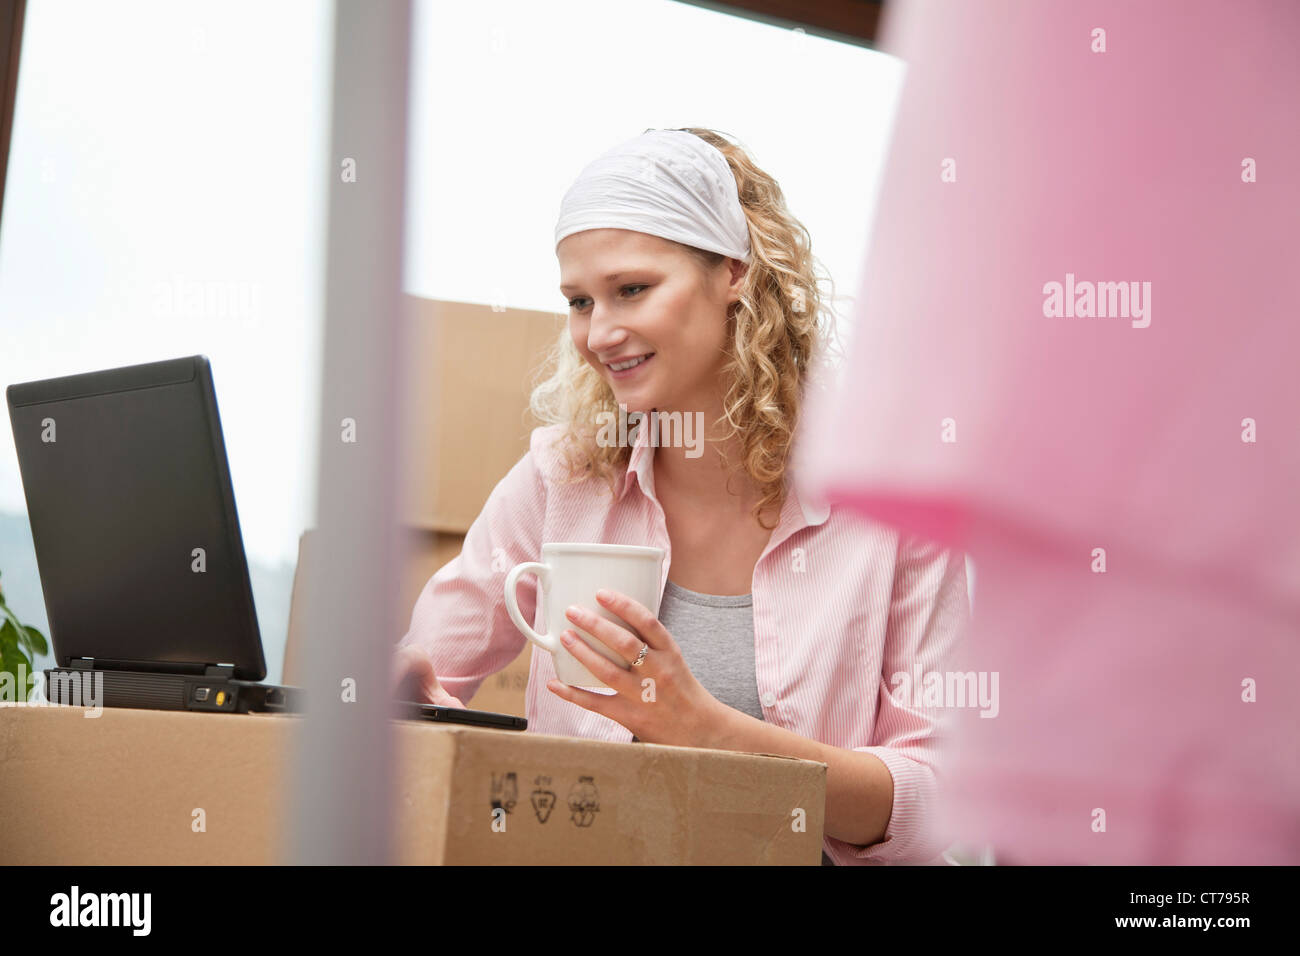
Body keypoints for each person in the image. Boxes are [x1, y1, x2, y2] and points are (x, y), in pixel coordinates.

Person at [392, 127, 969, 865]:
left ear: (732, 272)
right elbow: (431, 671)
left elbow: (934, 800)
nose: (598, 333)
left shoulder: (894, 504)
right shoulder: (561, 480)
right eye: (578, 301)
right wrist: (405, 694)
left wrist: (710, 731)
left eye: (632, 289)